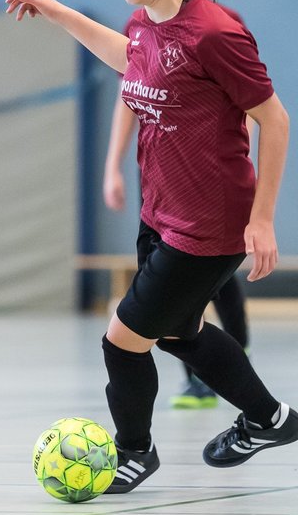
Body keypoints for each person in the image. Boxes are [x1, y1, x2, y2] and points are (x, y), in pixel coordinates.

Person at [6, 0, 298, 493]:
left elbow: (275, 119)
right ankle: (272, 419)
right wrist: (59, 12)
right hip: (161, 214)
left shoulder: (216, 32)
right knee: (178, 334)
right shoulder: (144, 22)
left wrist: (263, 220)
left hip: (210, 223)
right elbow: (130, 60)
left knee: (122, 341)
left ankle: (134, 453)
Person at [102, 95, 253, 409]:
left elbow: (254, 106)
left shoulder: (209, 45)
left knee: (204, 277)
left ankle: (234, 360)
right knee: (168, 292)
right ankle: (204, 378)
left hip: (202, 178)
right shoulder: (137, 47)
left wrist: (238, 159)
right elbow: (127, 98)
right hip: (158, 178)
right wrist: (113, 165)